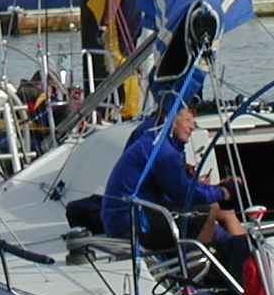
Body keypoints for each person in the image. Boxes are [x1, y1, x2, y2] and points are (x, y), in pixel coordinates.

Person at [100, 106, 246, 263]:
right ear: (170, 121)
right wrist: (224, 192)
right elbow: (182, 194)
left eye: (193, 122)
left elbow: (174, 187)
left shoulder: (154, 139)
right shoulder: (163, 150)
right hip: (132, 223)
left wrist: (207, 188)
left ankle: (207, 261)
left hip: (129, 217)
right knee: (205, 214)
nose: (192, 127)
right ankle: (194, 272)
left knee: (204, 212)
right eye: (187, 120)